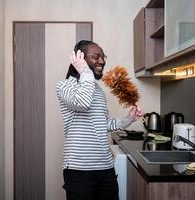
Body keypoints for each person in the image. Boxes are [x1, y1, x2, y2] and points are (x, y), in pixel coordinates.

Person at [56, 40, 142, 200]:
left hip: (106, 168)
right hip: (79, 170)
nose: (102, 61)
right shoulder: (64, 86)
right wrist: (85, 72)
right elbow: (82, 103)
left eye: (103, 57)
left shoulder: (97, 90)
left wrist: (128, 119)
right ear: (80, 57)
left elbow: (103, 124)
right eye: (96, 57)